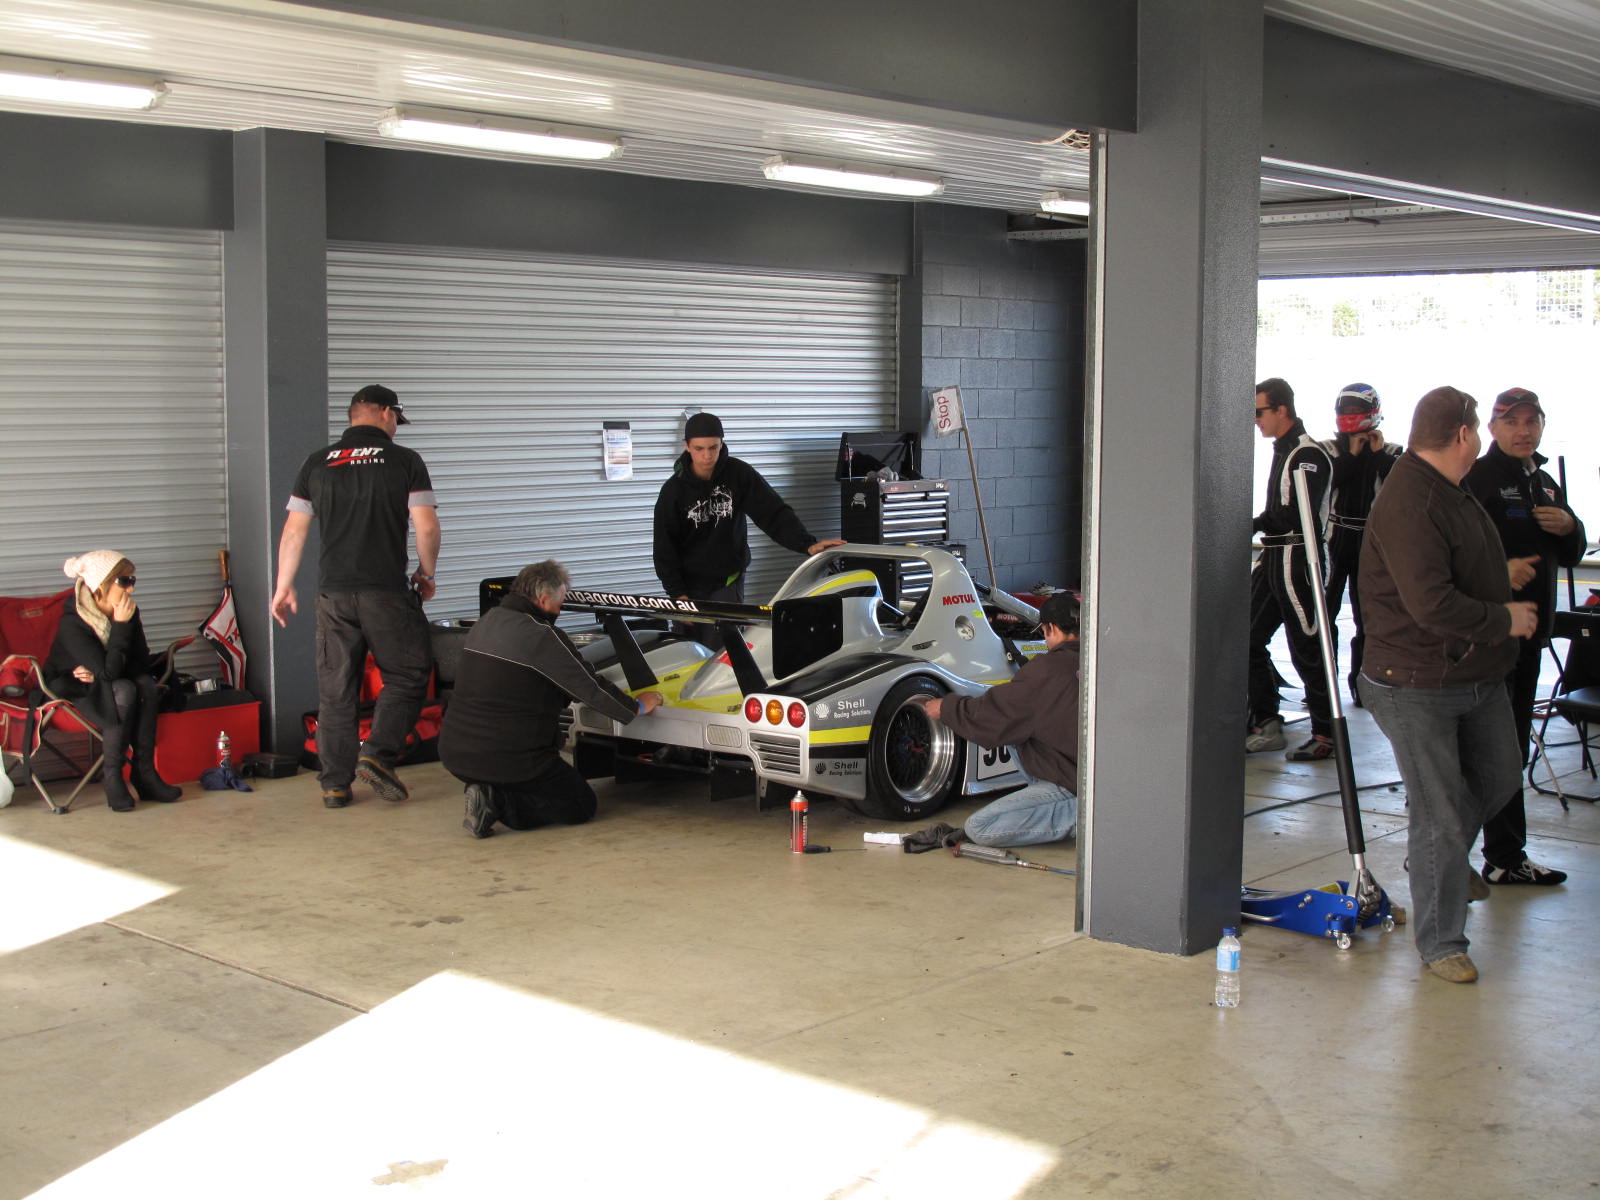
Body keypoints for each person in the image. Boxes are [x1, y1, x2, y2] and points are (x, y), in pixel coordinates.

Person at [1358, 386, 1537, 984]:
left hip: (1472, 672)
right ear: (1463, 434)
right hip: (1415, 680)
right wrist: (1503, 618)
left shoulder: (1447, 487)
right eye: (1479, 430)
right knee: (1438, 813)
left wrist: (1497, 578)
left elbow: (1447, 570)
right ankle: (1441, 943)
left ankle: (1440, 863)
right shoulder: (1411, 500)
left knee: (1499, 775)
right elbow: (1430, 602)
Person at [271, 384, 440, 809]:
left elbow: (293, 531)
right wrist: (427, 572)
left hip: (333, 596)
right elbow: (426, 525)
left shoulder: (317, 462)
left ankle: (334, 784)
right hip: (384, 593)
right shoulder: (405, 461)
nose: (397, 426)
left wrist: (283, 585)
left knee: (336, 691)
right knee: (408, 674)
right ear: (384, 412)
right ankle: (377, 754)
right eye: (396, 418)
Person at [439, 560, 665, 839]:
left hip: (456, 753)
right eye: (560, 603)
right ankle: (496, 800)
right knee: (579, 804)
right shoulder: (541, 636)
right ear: (544, 599)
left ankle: (485, 787)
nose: (560, 610)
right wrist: (637, 706)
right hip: (511, 757)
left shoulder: (487, 622)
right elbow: (590, 688)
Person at [1463, 387, 1585, 887]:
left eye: (1531, 422)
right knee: (1487, 748)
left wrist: (1569, 526)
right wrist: (1500, 572)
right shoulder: (1477, 477)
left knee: (1510, 745)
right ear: (1492, 428)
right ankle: (1462, 853)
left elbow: (1574, 553)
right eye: (1512, 422)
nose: (1523, 431)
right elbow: (1455, 552)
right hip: (1491, 634)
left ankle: (1504, 856)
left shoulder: (1545, 482)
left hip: (1531, 637)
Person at [919, 591, 1080, 846]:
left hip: (1074, 786)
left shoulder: (1046, 670)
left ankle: (1081, 817)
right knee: (1017, 732)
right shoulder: (1098, 661)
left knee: (979, 827)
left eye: (1044, 632)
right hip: (1085, 773)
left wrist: (946, 707)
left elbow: (993, 714)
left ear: (1051, 628)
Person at [653, 412, 845, 606]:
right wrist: (677, 594)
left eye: (713, 447)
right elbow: (664, 546)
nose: (707, 456)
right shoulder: (672, 491)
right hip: (688, 587)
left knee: (729, 627)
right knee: (690, 628)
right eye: (699, 448)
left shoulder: (739, 474)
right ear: (687, 446)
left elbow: (772, 512)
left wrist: (807, 544)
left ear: (721, 444)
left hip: (728, 582)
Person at [43, 551, 182, 811]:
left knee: (145, 684)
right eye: (124, 581)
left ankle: (144, 774)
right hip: (72, 686)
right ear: (100, 586)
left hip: (108, 678)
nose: (131, 589)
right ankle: (113, 777)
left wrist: (122, 626)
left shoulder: (127, 612)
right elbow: (109, 674)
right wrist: (120, 627)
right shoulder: (74, 622)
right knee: (124, 688)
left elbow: (140, 662)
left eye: (132, 581)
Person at [1247, 378, 1336, 761]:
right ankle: (1267, 721)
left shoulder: (1306, 454)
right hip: (1273, 557)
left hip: (1300, 559)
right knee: (1246, 638)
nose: (1255, 420)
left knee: (1308, 649)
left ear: (1281, 409)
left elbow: (1296, 514)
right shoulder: (1284, 450)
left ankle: (1326, 733)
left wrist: (1253, 523)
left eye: (1258, 412)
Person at [1318, 383, 1402, 706]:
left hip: (1372, 542)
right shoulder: (1327, 450)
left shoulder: (1392, 452)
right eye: (1346, 411)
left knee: (1368, 618)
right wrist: (1352, 456)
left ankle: (1363, 684)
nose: (1350, 416)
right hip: (1334, 538)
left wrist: (1376, 455)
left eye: (1356, 411)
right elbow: (1326, 483)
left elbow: (1401, 489)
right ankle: (1324, 686)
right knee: (1324, 615)